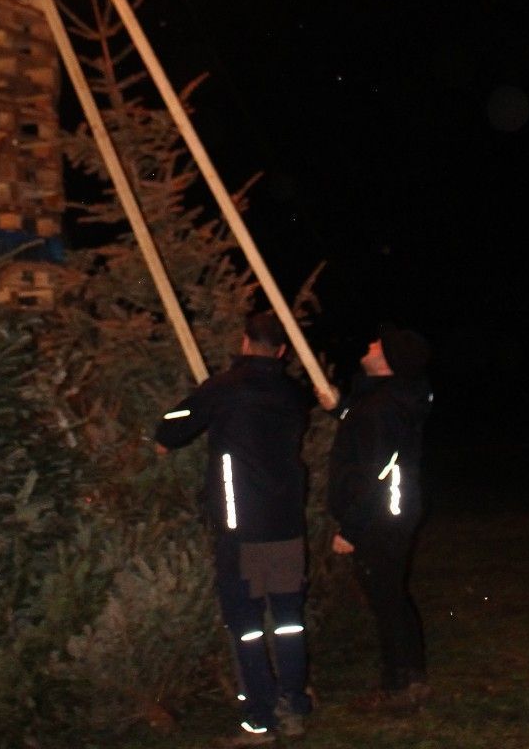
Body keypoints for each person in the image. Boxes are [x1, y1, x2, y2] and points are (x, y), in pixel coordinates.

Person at [155, 311, 312, 741]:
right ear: (282, 350)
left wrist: (182, 422)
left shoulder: (224, 389)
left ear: (244, 341)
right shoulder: (294, 393)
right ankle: (293, 703)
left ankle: (260, 718)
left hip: (240, 526)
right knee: (288, 618)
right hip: (286, 523)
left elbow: (170, 428)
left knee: (246, 623)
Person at [327, 323, 433, 710]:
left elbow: (375, 470)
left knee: (386, 600)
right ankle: (411, 677)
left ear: (388, 360)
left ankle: (398, 686)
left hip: (379, 518)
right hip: (393, 513)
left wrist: (351, 528)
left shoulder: (382, 407)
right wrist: (340, 407)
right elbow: (366, 425)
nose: (370, 345)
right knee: (392, 597)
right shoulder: (389, 400)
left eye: (377, 344)